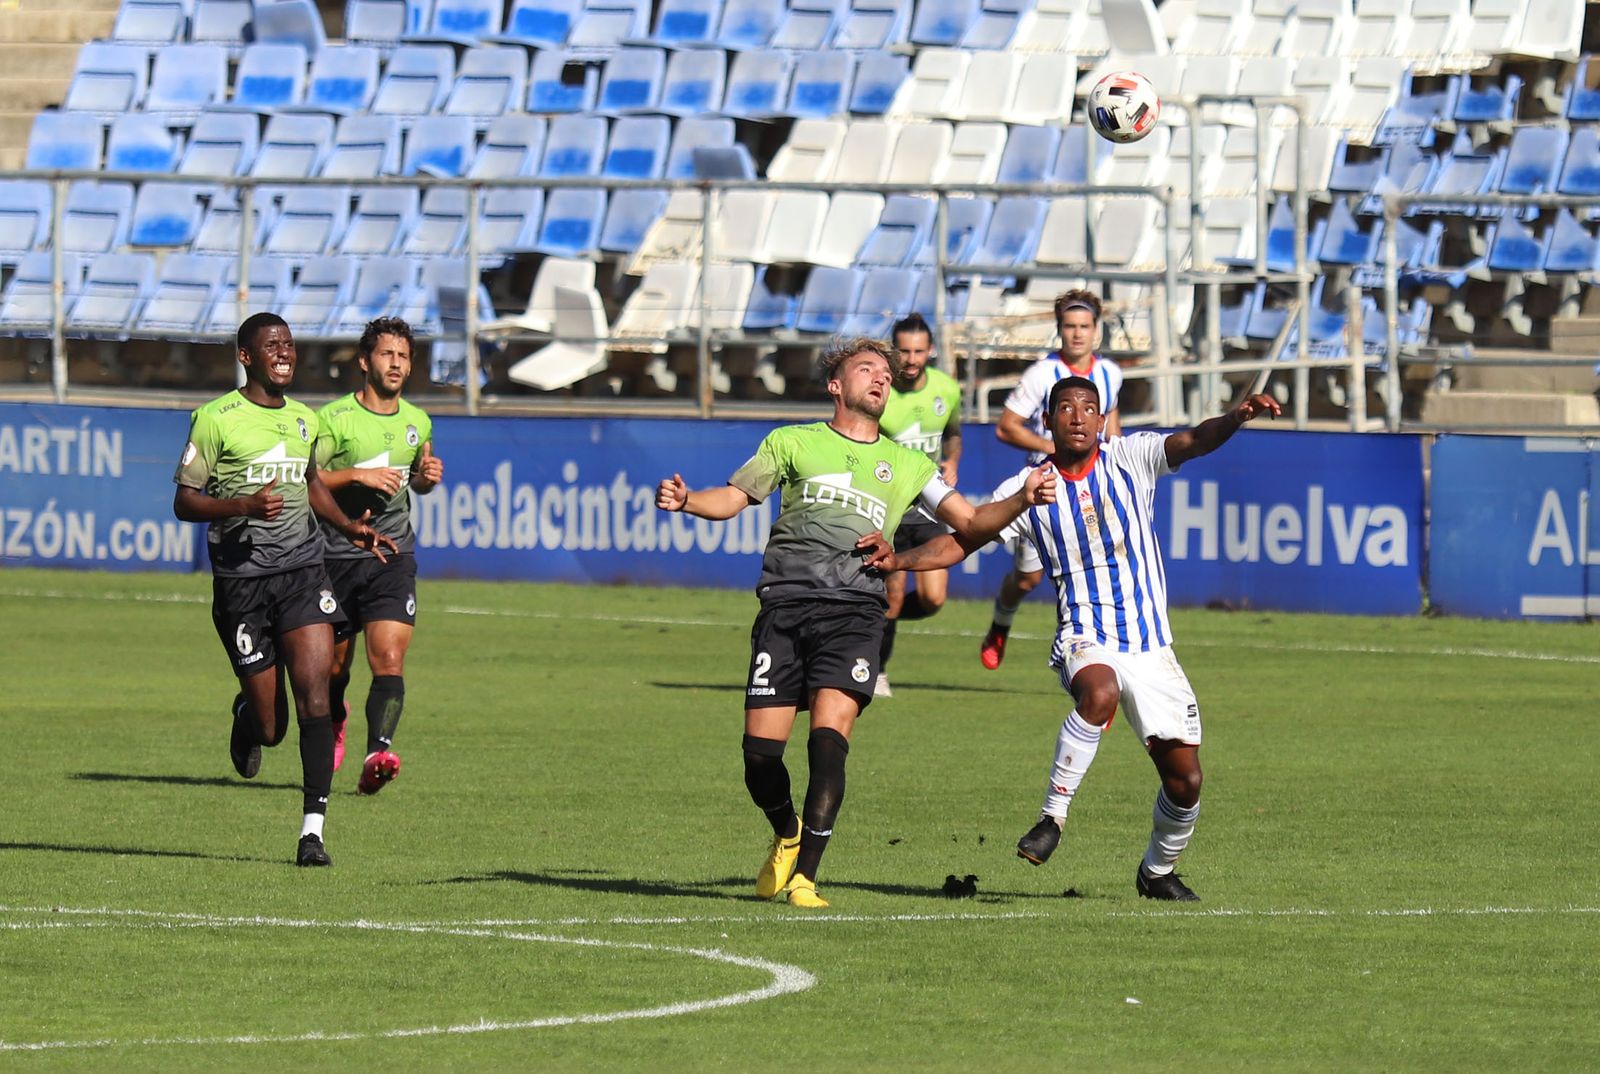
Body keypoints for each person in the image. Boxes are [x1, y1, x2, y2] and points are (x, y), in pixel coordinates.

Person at [655, 338, 1056, 909]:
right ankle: (788, 832)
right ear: (835, 385)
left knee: (827, 742)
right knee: (759, 758)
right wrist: (689, 499)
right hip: (785, 610)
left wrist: (1020, 501)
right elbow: (734, 497)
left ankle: (806, 879)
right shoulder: (792, 443)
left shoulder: (910, 464)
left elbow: (968, 524)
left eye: (885, 373)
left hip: (855, 613)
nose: (880, 378)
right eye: (866, 369)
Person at [863, 376, 1281, 901]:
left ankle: (1157, 872)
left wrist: (1238, 416)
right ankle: (1052, 820)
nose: (1079, 416)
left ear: (1103, 419)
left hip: (1150, 646)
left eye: (1089, 408)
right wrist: (897, 559)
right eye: (1066, 408)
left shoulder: (1131, 458)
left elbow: (1194, 440)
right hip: (1085, 636)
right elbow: (960, 541)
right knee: (1099, 693)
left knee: (1186, 782)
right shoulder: (1028, 489)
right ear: (1049, 421)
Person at [173, 312, 397, 867]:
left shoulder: (303, 420)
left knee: (317, 696)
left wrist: (349, 529)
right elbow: (184, 502)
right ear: (246, 356)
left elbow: (311, 483)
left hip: (302, 574)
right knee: (272, 727)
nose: (285, 353)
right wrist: (242, 506)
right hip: (242, 586)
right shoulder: (215, 420)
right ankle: (248, 719)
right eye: (272, 345)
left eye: (290, 345)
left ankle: (312, 833)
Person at [314, 317, 443, 797]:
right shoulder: (333, 419)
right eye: (388, 354)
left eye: (404, 356)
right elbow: (310, 480)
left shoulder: (418, 422)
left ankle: (378, 753)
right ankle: (336, 722)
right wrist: (356, 477)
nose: (396, 363)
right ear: (365, 362)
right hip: (336, 555)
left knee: (388, 657)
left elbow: (419, 481)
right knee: (333, 668)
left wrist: (427, 476)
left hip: (392, 554)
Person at [981, 290, 1123, 671]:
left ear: (1096, 330)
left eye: (1084, 326)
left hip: (1092, 488)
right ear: (1059, 330)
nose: (1077, 334)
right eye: (1069, 327)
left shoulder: (1110, 373)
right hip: (1044, 489)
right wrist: (1055, 444)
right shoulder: (1043, 374)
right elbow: (1006, 427)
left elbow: (1111, 425)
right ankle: (1000, 622)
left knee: (1093, 574)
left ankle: (1091, 663)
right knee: (1028, 579)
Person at [872, 312, 962, 698]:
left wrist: (953, 462)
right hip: (891, 507)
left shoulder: (947, 389)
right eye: (904, 351)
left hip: (928, 505)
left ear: (931, 351)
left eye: (918, 351)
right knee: (892, 593)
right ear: (893, 351)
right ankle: (876, 672)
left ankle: (872, 622)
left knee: (932, 598)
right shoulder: (879, 391)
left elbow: (953, 434)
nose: (910, 359)